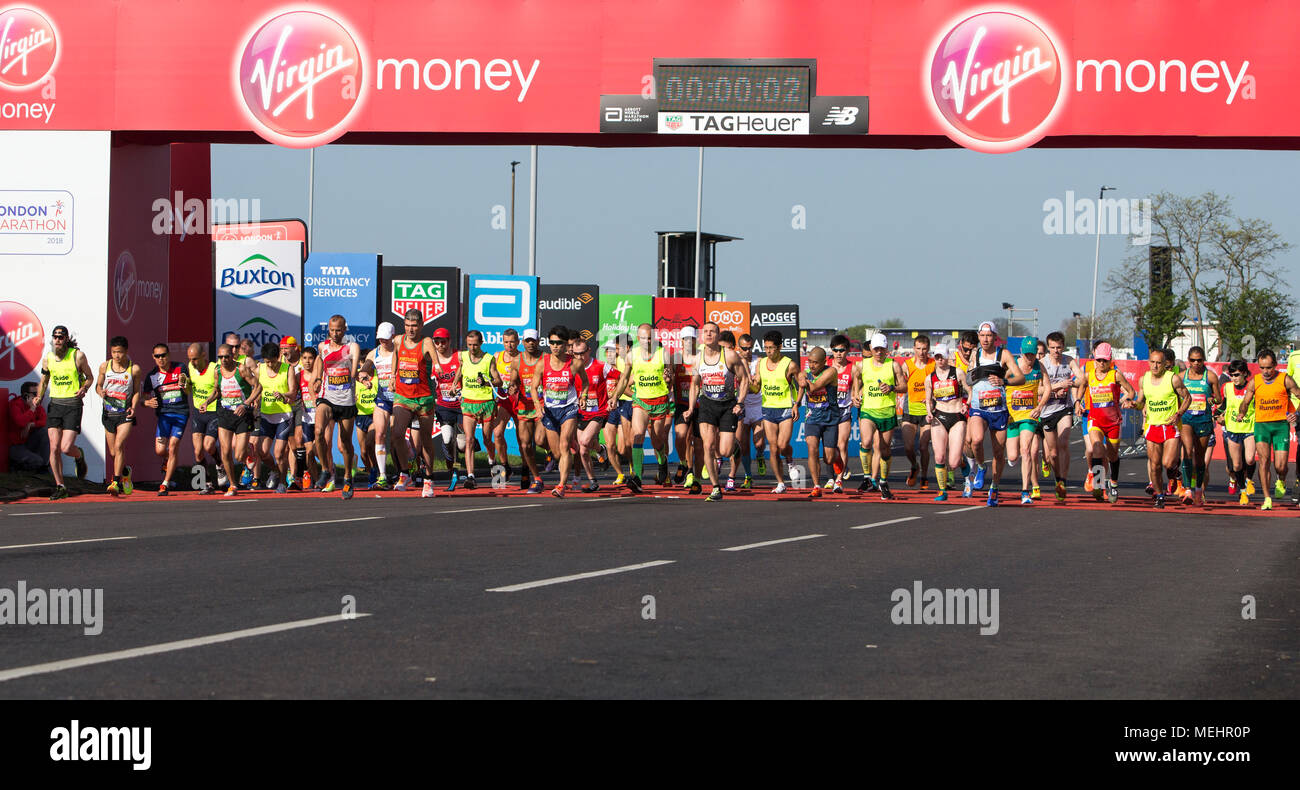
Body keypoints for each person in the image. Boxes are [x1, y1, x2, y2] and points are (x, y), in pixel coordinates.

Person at [963, 322, 1026, 507]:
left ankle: (995, 487)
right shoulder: (976, 354)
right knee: (976, 440)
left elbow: (1020, 377)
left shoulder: (1003, 354)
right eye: (982, 335)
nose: (985, 339)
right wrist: (973, 378)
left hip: (998, 409)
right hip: (979, 407)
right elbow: (968, 378)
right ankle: (982, 467)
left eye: (988, 335)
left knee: (999, 452)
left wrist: (1003, 380)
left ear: (995, 337)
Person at [684, 321, 749, 501]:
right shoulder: (698, 358)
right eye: (705, 332)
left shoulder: (729, 356)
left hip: (728, 405)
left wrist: (741, 402)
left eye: (712, 331)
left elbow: (744, 380)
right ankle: (715, 487)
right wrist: (690, 408)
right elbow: (694, 385)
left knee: (726, 451)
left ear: (718, 336)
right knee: (708, 446)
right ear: (702, 336)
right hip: (707, 405)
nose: (709, 334)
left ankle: (735, 447)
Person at [1234, 349, 1300, 511]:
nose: (1265, 372)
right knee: (1264, 461)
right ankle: (1267, 498)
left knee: (1281, 466)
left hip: (1280, 427)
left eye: (1269, 368)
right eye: (1262, 368)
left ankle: (1282, 479)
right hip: (1262, 426)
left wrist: (1296, 413)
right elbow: (1246, 401)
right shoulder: (1255, 381)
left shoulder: (1285, 379)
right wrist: (1242, 412)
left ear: (1276, 365)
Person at [34, 325, 93, 499]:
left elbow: (89, 378)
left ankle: (79, 455)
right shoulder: (48, 359)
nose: (58, 340)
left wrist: (84, 388)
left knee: (66, 447)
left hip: (73, 405)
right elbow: (44, 381)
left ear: (66, 339)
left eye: (61, 337)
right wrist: (39, 397)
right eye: (55, 337)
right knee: (54, 448)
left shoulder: (77, 356)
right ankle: (60, 486)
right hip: (55, 405)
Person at [1074, 342, 1137, 505]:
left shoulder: (1115, 375)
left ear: (1110, 360)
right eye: (1099, 360)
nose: (1102, 363)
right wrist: (1077, 402)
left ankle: (1113, 484)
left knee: (1112, 455)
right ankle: (1098, 484)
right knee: (1096, 448)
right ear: (1095, 359)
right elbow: (1081, 387)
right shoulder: (1089, 375)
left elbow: (1131, 391)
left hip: (1113, 422)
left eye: (1105, 360)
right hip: (1095, 420)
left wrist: (1126, 400)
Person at [1132, 348, 1191, 509]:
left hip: (1170, 426)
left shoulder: (1173, 379)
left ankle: (1176, 474)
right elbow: (1140, 402)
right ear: (1148, 363)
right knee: (1154, 465)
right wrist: (1133, 404)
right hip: (1153, 425)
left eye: (1159, 363)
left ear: (1165, 364)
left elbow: (1188, 398)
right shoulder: (1144, 380)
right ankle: (1159, 495)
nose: (1155, 366)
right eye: (1153, 362)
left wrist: (1179, 413)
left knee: (1167, 462)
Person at [853, 332, 909, 500]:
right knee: (867, 441)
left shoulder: (893, 366)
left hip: (887, 411)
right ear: (871, 348)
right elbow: (856, 378)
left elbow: (904, 387)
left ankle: (883, 482)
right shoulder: (862, 365)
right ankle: (867, 477)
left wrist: (891, 388)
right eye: (875, 349)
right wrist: (856, 395)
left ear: (886, 349)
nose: (878, 352)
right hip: (868, 410)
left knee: (884, 449)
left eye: (881, 349)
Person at [388, 311, 438, 497]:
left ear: (421, 325)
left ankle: (428, 478)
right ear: (404, 324)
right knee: (396, 434)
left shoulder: (425, 342)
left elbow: (434, 357)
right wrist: (393, 376)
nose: (411, 328)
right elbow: (395, 355)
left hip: (424, 397)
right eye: (408, 324)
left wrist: (438, 366)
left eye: (414, 325)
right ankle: (404, 473)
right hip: (403, 396)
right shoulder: (399, 340)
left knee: (425, 440)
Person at [529, 325, 583, 497]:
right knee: (559, 453)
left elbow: (586, 382)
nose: (554, 346)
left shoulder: (574, 364)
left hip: (569, 408)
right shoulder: (542, 364)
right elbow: (533, 387)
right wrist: (538, 407)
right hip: (550, 411)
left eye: (558, 343)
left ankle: (561, 485)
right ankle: (572, 450)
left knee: (564, 444)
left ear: (566, 344)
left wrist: (585, 395)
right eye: (552, 342)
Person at [313, 315, 361, 499]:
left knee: (346, 442)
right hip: (327, 397)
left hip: (346, 401)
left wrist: (356, 373)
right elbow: (320, 361)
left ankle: (348, 477)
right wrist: (317, 379)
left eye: (339, 330)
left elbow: (355, 366)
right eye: (332, 330)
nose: (335, 333)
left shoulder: (351, 347)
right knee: (318, 432)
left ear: (344, 329)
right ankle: (326, 470)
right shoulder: (322, 347)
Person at [623, 323, 675, 493]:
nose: (646, 341)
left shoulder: (664, 354)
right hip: (641, 402)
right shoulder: (632, 355)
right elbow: (625, 380)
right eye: (643, 338)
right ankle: (637, 478)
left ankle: (662, 462)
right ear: (638, 338)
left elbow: (670, 380)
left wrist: (668, 380)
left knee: (656, 440)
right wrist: (615, 397)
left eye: (650, 338)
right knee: (637, 436)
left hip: (659, 401)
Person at [202, 343, 259, 497]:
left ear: (232, 356)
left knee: (239, 456)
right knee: (225, 452)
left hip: (242, 414)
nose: (223, 360)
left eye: (226, 356)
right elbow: (216, 390)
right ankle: (233, 485)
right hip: (225, 413)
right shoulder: (217, 370)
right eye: (220, 357)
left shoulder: (241, 369)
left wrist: (246, 404)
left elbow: (257, 386)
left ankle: (249, 451)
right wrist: (207, 402)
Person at [452, 329, 503, 490]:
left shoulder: (488, 359)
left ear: (481, 344)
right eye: (469, 345)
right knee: (469, 440)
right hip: (468, 402)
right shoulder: (463, 356)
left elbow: (498, 381)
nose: (472, 348)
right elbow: (460, 370)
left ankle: (492, 462)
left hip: (486, 402)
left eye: (475, 345)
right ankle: (471, 476)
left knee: (487, 438)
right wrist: (454, 384)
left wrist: (487, 383)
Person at [95, 336, 142, 496]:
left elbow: (136, 392)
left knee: (119, 446)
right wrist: (100, 391)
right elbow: (98, 385)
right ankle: (125, 472)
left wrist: (134, 407)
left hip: (125, 413)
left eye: (120, 352)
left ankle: (115, 482)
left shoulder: (133, 369)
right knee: (114, 452)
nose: (117, 356)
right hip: (108, 413)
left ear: (126, 351)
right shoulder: (105, 366)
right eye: (114, 352)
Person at [1006, 336, 1050, 505]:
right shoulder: (1013, 366)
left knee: (1026, 450)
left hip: (1029, 415)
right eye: (1027, 355)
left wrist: (1040, 407)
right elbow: (1001, 383)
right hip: (1012, 415)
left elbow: (1048, 387)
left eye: (1033, 355)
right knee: (1012, 455)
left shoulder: (1039, 367)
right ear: (1021, 353)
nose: (1030, 358)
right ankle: (1012, 458)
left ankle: (1025, 491)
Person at [1039, 332, 1082, 503]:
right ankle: (1058, 480)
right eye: (1052, 348)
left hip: (1065, 408)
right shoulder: (1042, 364)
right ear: (1048, 348)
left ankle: (1063, 481)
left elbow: (1082, 379)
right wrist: (1057, 387)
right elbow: (1038, 390)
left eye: (1059, 347)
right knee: (1053, 454)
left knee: (1063, 443)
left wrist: (1071, 383)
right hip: (1047, 411)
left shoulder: (1069, 361)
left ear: (1063, 347)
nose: (1056, 351)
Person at [141, 343, 189, 494]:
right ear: (153, 358)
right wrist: (147, 403)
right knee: (160, 450)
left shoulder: (180, 368)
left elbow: (188, 391)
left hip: (180, 413)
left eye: (163, 355)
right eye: (157, 356)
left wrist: (185, 383)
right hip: (163, 416)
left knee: (173, 446)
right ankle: (169, 460)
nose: (161, 359)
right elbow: (142, 399)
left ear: (169, 355)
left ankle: (165, 484)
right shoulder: (152, 376)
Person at [755, 330, 799, 494]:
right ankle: (781, 483)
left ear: (780, 347)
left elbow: (801, 383)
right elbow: (757, 384)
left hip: (786, 408)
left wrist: (797, 404)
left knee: (782, 445)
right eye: (766, 348)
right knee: (773, 448)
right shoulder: (761, 363)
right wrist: (747, 383)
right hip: (768, 408)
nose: (768, 351)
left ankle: (790, 460)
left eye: (771, 348)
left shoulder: (790, 364)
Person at [924, 344, 969, 502]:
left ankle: (963, 464)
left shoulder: (957, 373)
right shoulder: (930, 378)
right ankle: (942, 491)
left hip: (956, 416)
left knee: (954, 462)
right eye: (937, 357)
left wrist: (966, 404)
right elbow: (928, 400)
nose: (940, 360)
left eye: (942, 356)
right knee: (940, 457)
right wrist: (929, 413)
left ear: (947, 357)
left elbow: (970, 392)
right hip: (939, 416)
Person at [572, 337, 616, 492]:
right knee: (582, 451)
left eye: (582, 353)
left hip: (599, 412)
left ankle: (598, 449)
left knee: (584, 441)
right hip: (581, 412)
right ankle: (593, 480)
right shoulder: (571, 368)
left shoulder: (600, 366)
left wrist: (614, 397)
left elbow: (622, 377)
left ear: (589, 351)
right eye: (575, 354)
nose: (579, 357)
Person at [796, 346, 840, 498]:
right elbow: (802, 383)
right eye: (809, 362)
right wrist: (796, 404)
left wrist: (802, 379)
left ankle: (836, 455)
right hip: (812, 418)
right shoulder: (806, 373)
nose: (812, 365)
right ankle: (816, 486)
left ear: (824, 362)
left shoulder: (831, 372)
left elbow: (813, 387)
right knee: (812, 448)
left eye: (815, 363)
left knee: (828, 458)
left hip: (830, 418)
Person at [254, 342, 298, 494]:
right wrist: (254, 400)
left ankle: (281, 484)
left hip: (283, 416)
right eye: (267, 362)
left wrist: (283, 395)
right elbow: (256, 389)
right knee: (262, 451)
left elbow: (293, 393)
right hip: (266, 416)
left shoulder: (288, 369)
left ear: (278, 356)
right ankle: (276, 471)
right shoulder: (260, 369)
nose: (270, 364)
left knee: (279, 453)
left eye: (272, 361)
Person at [1177, 346, 1219, 505]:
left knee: (1200, 459)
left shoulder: (1211, 377)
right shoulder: (1181, 377)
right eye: (1193, 360)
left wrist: (1213, 401)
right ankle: (1187, 489)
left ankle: (1199, 489)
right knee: (1187, 451)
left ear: (1203, 360)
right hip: (1187, 419)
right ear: (1188, 361)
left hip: (1204, 420)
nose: (1196, 363)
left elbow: (1219, 399)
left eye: (1199, 360)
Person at [363, 323, 397, 489]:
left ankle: (408, 468)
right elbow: (365, 368)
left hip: (400, 399)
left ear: (392, 336)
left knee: (398, 438)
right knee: (380, 435)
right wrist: (363, 376)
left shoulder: (399, 351)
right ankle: (382, 475)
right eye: (381, 338)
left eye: (386, 337)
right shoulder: (373, 352)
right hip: (383, 398)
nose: (383, 341)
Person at [1218, 360, 1257, 506]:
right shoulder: (1227, 387)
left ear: (1245, 374)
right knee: (1236, 466)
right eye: (1231, 375)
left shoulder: (1251, 387)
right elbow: (1223, 405)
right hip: (1233, 428)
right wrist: (1217, 415)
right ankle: (1242, 492)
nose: (1233, 378)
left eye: (1237, 375)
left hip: (1249, 428)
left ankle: (1249, 481)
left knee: (1250, 459)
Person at [185, 342, 223, 494]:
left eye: (195, 359)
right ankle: (207, 483)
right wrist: (184, 385)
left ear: (203, 356)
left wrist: (207, 402)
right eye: (190, 359)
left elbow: (218, 391)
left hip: (213, 411)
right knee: (198, 451)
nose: (192, 362)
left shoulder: (214, 368)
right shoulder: (190, 367)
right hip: (198, 412)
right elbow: (189, 391)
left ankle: (219, 464)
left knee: (209, 446)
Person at [513, 329, 546, 493]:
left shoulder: (545, 358)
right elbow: (513, 380)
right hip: (524, 408)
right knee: (525, 445)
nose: (530, 343)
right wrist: (512, 387)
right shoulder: (517, 360)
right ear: (523, 342)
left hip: (542, 405)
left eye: (533, 340)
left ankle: (554, 452)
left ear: (538, 341)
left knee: (539, 440)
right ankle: (537, 479)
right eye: (527, 341)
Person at [430, 327, 464, 489]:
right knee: (447, 439)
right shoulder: (433, 359)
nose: (440, 345)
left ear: (449, 341)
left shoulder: (459, 356)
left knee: (463, 444)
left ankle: (466, 461)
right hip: (443, 406)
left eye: (443, 341)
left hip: (462, 405)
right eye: (437, 342)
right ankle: (452, 472)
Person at [900, 335, 934, 489]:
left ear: (928, 349)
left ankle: (925, 477)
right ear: (914, 349)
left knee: (923, 447)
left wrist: (931, 398)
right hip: (910, 408)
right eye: (918, 349)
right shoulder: (907, 365)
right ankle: (914, 466)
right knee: (908, 447)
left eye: (924, 349)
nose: (921, 352)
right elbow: (901, 385)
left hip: (926, 410)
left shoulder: (933, 364)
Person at [823, 335, 856, 492]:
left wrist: (857, 395)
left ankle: (838, 480)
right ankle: (831, 476)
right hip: (828, 410)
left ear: (847, 351)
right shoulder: (826, 365)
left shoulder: (853, 368)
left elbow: (858, 386)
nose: (838, 353)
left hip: (844, 410)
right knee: (829, 447)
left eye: (841, 350)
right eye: (835, 350)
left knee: (841, 444)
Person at [489, 328, 523, 482]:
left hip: (520, 400)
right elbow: (492, 378)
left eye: (512, 342)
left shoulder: (522, 357)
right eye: (506, 342)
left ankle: (525, 468)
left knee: (522, 438)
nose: (509, 345)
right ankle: (504, 467)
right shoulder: (497, 356)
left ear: (518, 342)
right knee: (497, 433)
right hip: (503, 400)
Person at [671, 326, 703, 490]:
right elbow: (669, 380)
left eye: (692, 339)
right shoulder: (676, 358)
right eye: (686, 339)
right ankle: (683, 464)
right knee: (681, 436)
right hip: (681, 404)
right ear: (681, 341)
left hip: (700, 404)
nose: (689, 342)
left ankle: (693, 475)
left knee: (697, 444)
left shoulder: (701, 357)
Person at [733, 333, 763, 490]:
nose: (747, 351)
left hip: (757, 406)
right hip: (743, 406)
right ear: (739, 348)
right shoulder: (735, 360)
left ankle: (760, 455)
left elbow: (756, 386)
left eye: (750, 348)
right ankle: (748, 476)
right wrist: (743, 364)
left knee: (759, 443)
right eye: (744, 348)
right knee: (742, 445)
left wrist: (748, 376)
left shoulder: (758, 361)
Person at [295, 346, 322, 491]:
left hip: (320, 418)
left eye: (310, 358)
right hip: (306, 418)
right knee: (309, 452)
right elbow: (294, 394)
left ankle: (328, 472)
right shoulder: (298, 376)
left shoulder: (320, 376)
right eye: (304, 358)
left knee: (320, 451)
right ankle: (317, 481)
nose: (307, 362)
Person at [7, 381, 49, 473]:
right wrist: (32, 408)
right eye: (35, 394)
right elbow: (20, 422)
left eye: (40, 393)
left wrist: (31, 424)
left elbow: (45, 422)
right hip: (15, 447)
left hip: (28, 443)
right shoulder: (15, 404)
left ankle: (44, 467)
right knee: (38, 461)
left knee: (44, 432)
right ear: (26, 396)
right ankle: (17, 467)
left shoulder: (38, 406)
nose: (39, 397)